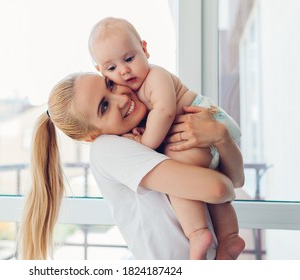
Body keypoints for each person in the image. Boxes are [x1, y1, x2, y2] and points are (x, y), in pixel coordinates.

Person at [19, 71, 244, 260]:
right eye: (104, 106)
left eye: (110, 85)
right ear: (90, 136)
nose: (122, 99)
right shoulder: (106, 149)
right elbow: (219, 189)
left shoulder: (150, 130)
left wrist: (220, 136)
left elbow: (237, 181)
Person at [88, 17, 245, 259]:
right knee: (201, 185)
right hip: (203, 137)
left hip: (209, 121)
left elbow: (165, 111)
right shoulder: (109, 142)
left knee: (180, 168)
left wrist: (145, 142)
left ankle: (197, 233)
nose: (124, 70)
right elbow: (228, 182)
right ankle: (229, 238)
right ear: (101, 72)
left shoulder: (155, 76)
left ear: (145, 49)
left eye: (129, 59)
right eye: (112, 69)